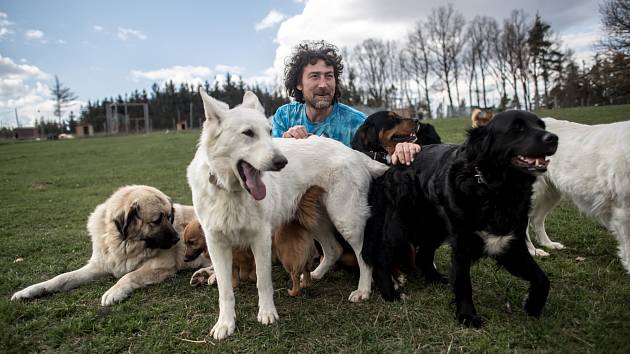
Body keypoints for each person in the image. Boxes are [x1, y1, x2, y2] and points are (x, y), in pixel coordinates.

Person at [272, 40, 420, 165]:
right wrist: (286, 144)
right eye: (315, 76)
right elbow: (273, 169)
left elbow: (385, 157)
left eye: (329, 76)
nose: (323, 84)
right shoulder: (285, 116)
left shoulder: (358, 124)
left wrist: (403, 147)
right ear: (299, 84)